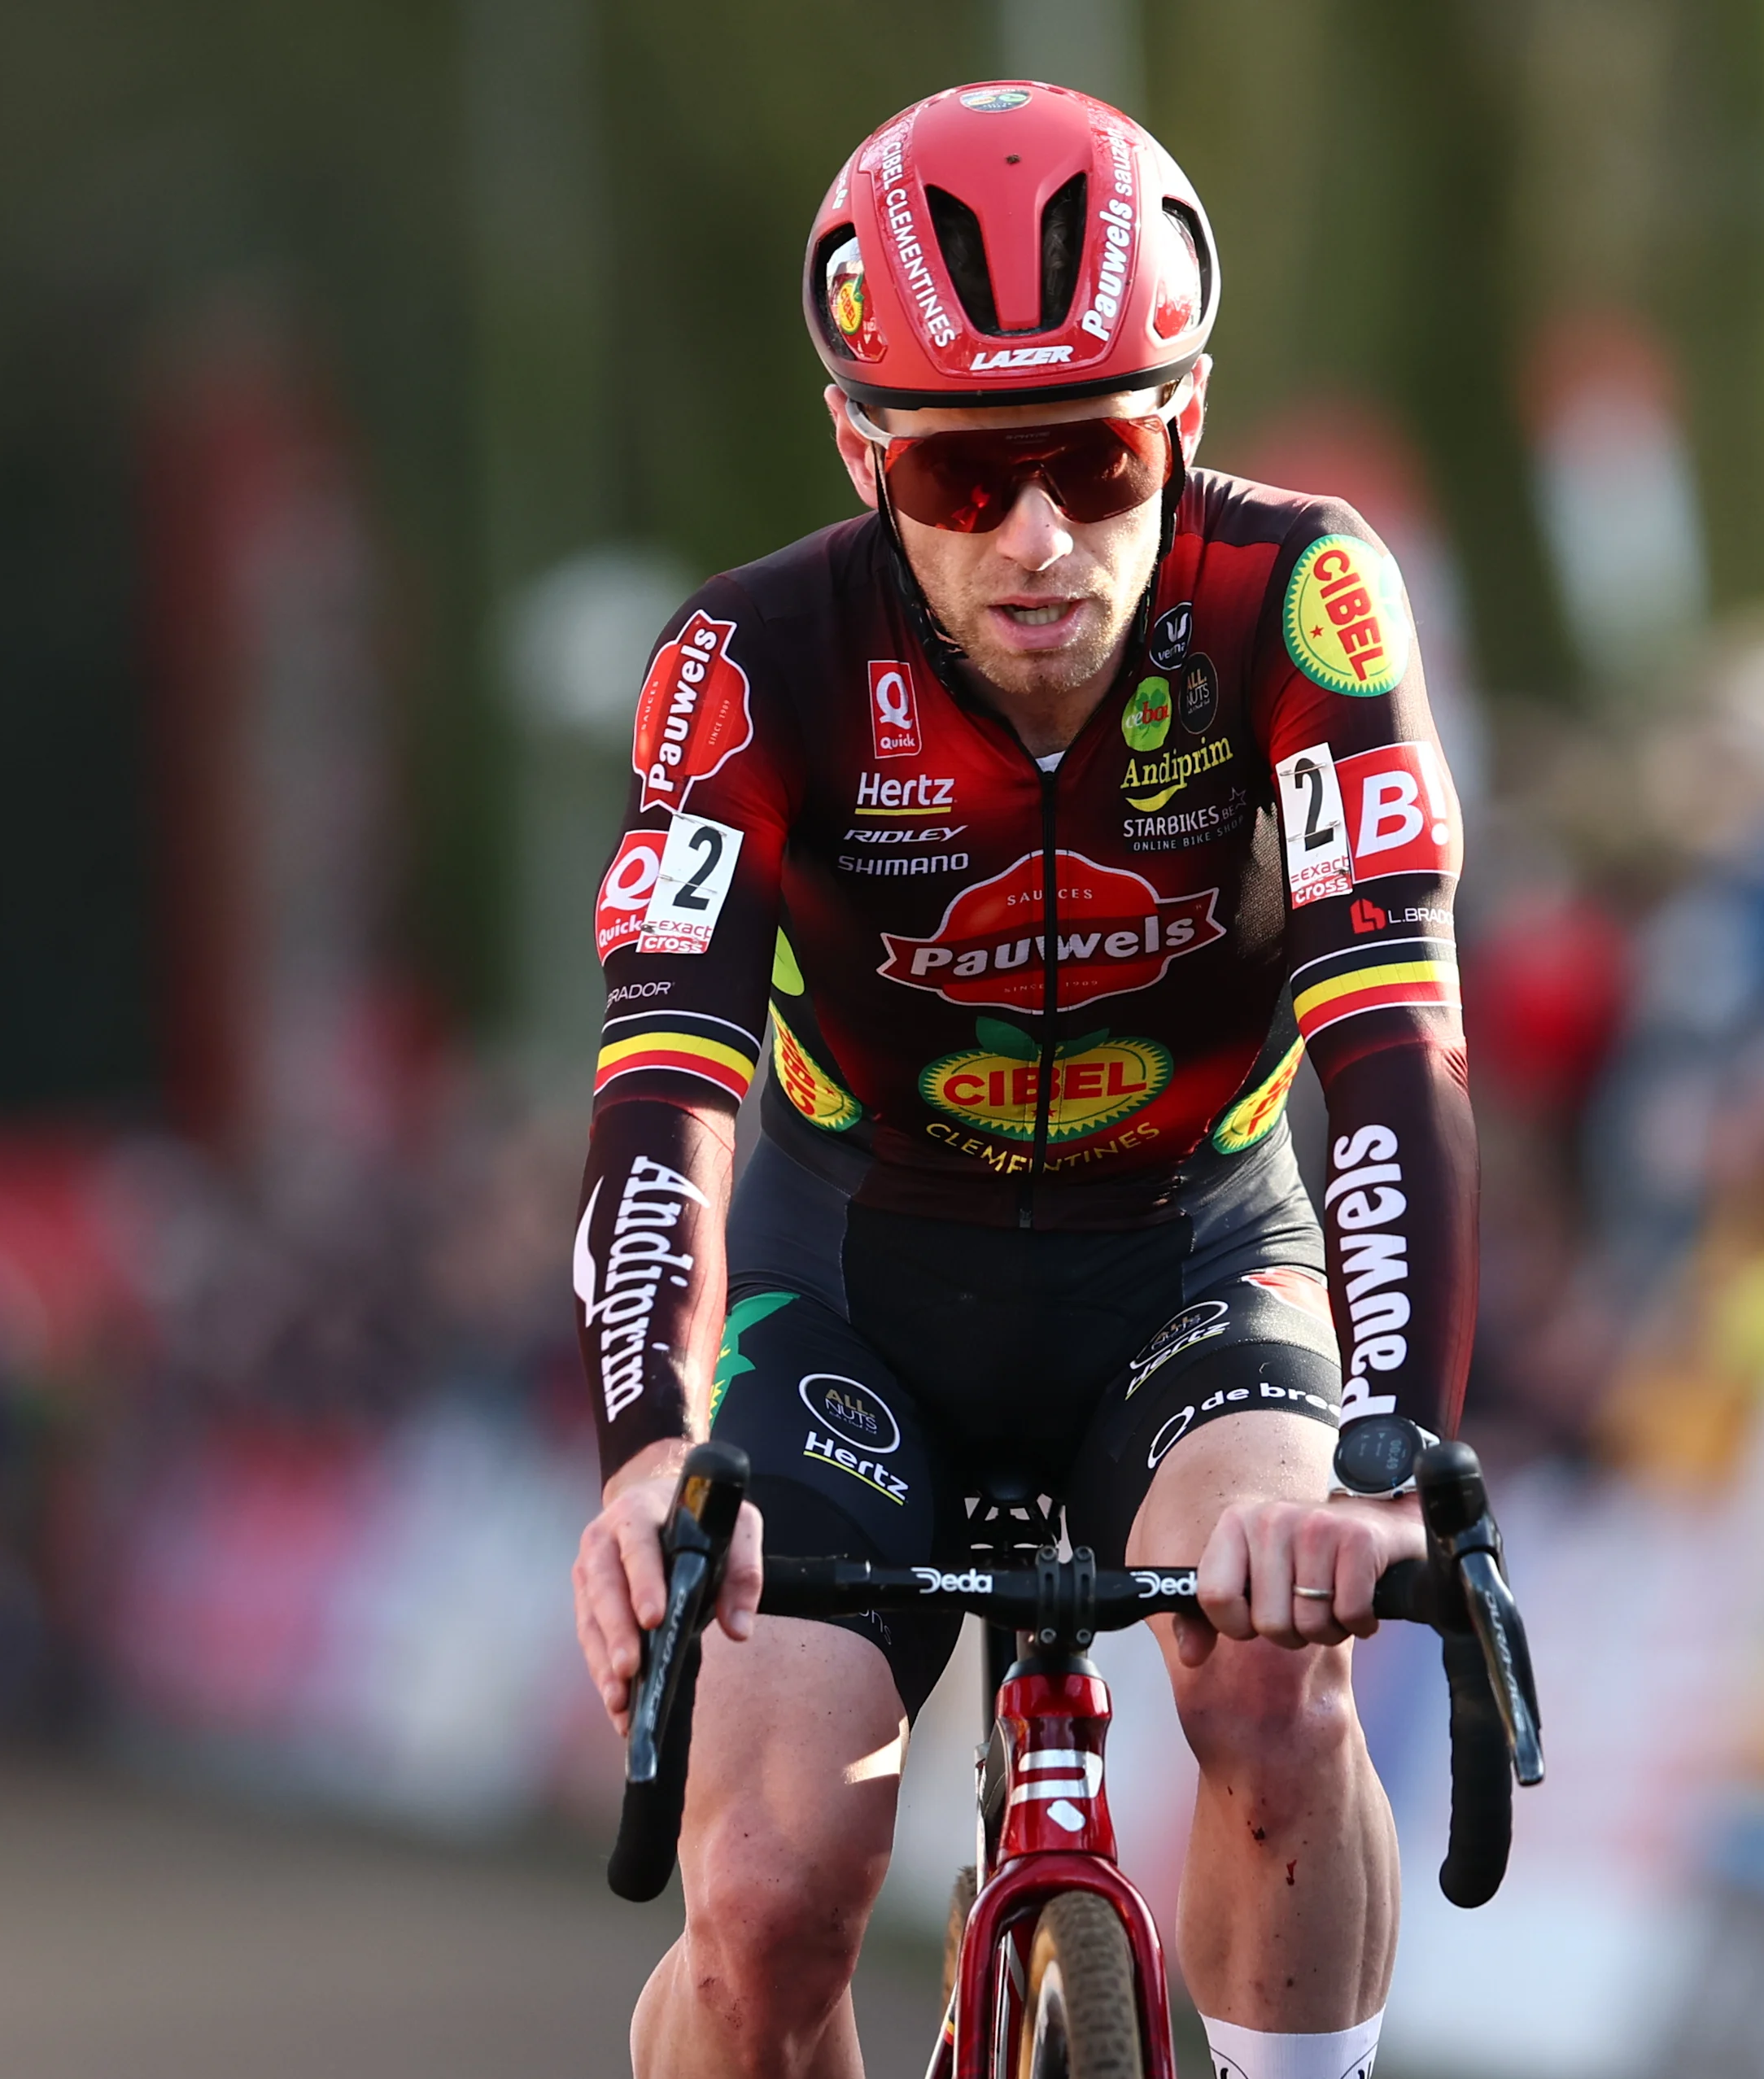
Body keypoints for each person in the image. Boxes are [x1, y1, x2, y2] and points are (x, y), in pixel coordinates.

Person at [563, 83, 1475, 2079]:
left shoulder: (1301, 605)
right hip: (849, 1285)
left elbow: (1393, 1053)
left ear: (1192, 418)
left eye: (1099, 455)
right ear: (859, 448)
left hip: (1191, 1261)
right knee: (768, 1893)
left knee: (1281, 1694)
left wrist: (1394, 1454)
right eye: (968, 481)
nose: (1045, 539)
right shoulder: (751, 657)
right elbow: (664, 1091)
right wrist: (647, 1445)